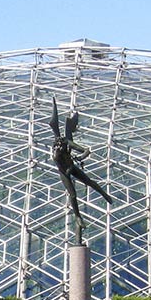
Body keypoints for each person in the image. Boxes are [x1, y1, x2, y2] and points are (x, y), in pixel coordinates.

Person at [49, 97, 113, 243]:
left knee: (90, 182)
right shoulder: (55, 149)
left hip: (71, 167)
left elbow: (85, 150)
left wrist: (80, 157)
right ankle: (78, 216)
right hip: (64, 172)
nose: (58, 145)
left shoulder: (65, 142)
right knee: (72, 195)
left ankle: (104, 194)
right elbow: (57, 159)